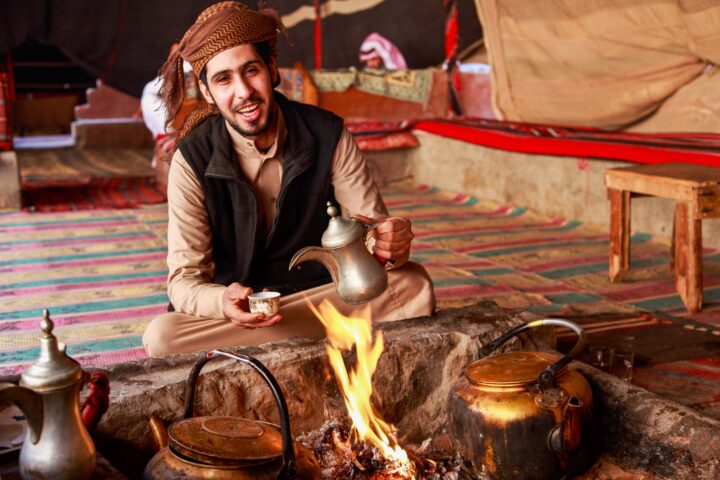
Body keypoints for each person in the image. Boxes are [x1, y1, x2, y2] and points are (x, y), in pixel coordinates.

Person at [142, 1, 435, 357]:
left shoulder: (327, 134)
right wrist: (223, 301)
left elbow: (370, 234)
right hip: (244, 317)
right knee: (162, 337)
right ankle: (314, 342)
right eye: (223, 79)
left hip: (320, 297)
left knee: (412, 285)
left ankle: (270, 348)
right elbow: (184, 282)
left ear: (272, 68)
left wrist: (389, 246)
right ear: (207, 92)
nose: (244, 92)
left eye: (251, 71)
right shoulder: (192, 158)